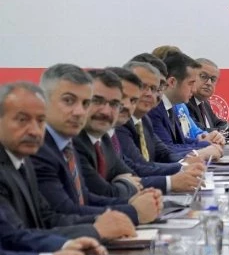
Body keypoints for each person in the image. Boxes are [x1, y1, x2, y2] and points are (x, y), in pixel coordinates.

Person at [0, 81, 135, 241]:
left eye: (41, 121)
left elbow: (47, 218)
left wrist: (102, 222)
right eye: (22, 120)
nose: (34, 131)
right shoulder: (38, 154)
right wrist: (96, 230)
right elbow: (11, 238)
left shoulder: (24, 161)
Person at [31, 64, 161, 226]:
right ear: (42, 101)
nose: (79, 111)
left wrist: (131, 203)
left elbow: (84, 198)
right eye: (68, 100)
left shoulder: (67, 144)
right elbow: (63, 212)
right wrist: (133, 212)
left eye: (86, 103)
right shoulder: (39, 148)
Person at [112, 65, 204, 193]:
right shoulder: (119, 125)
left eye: (154, 89)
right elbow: (137, 169)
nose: (150, 94)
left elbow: (163, 153)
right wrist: (172, 179)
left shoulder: (144, 119)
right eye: (143, 87)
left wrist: (184, 165)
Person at [73, 69, 142, 199]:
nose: (106, 111)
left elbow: (133, 176)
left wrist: (121, 184)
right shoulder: (73, 142)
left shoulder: (104, 138)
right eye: (97, 101)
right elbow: (104, 194)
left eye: (114, 104)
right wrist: (126, 185)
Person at [147, 51, 223, 160]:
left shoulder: (171, 107)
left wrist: (206, 143)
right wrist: (202, 151)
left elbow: (181, 142)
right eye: (191, 83)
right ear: (172, 82)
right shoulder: (154, 109)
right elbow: (166, 151)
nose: (194, 88)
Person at [187, 58, 229, 136]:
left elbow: (217, 123)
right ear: (190, 77)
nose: (209, 83)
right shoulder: (185, 102)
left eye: (213, 79)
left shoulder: (204, 102)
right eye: (203, 76)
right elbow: (199, 131)